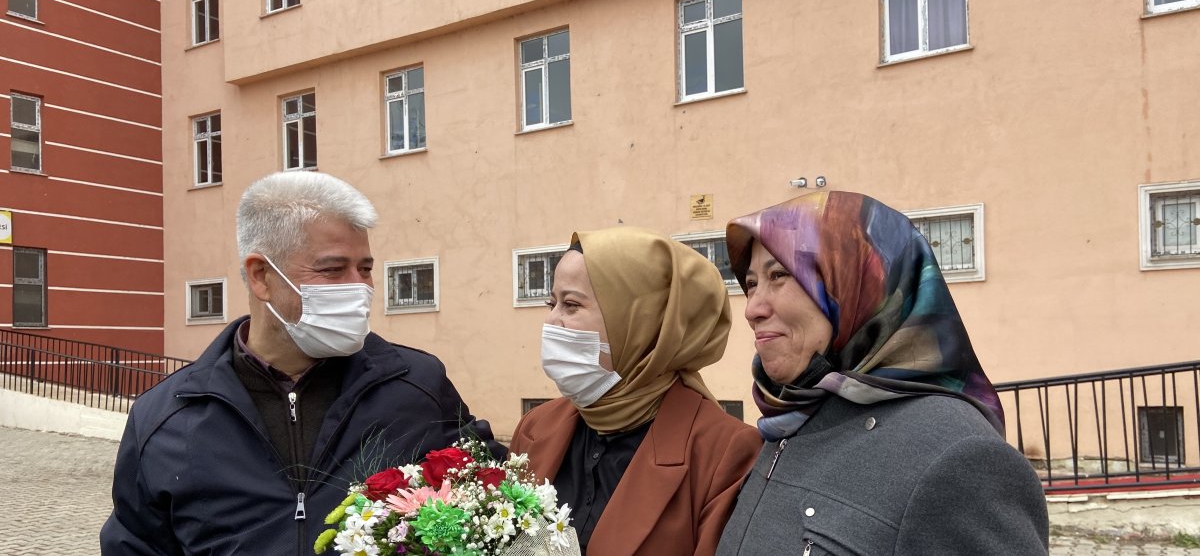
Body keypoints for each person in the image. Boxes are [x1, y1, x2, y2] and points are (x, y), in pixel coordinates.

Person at [100, 171, 502, 555]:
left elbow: (500, 504)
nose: (360, 287)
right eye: (333, 269)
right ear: (261, 276)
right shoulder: (167, 417)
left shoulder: (418, 387)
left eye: (365, 268)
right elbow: (135, 545)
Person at [716, 191, 1049, 555]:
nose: (752, 309)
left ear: (857, 283)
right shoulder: (789, 423)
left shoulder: (958, 455)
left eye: (779, 275)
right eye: (751, 283)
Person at [510, 226, 762, 555]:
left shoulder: (724, 452)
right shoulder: (535, 426)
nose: (551, 322)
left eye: (571, 305)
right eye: (551, 303)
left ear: (640, 322)